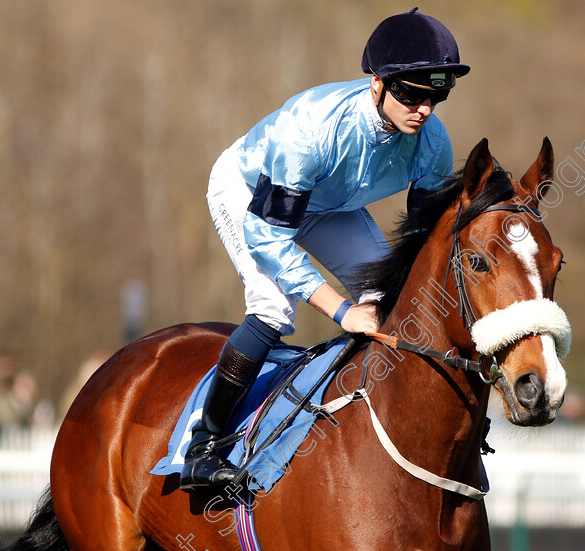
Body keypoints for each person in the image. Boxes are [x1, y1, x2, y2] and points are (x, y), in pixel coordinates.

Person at [180, 8, 470, 491]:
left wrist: (385, 297)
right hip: (251, 192)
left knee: (398, 302)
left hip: (330, 203)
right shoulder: (309, 129)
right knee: (273, 308)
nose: (423, 109)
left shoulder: (432, 143)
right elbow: (269, 237)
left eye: (435, 96)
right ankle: (203, 446)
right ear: (376, 84)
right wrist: (340, 310)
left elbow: (419, 244)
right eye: (412, 94)